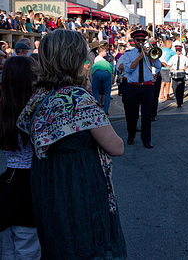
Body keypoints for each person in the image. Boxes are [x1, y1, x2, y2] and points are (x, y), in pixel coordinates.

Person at [16, 29, 126, 258]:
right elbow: (116, 147)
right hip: (78, 186)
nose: (88, 60)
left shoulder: (39, 95)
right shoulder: (78, 99)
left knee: (58, 245)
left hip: (48, 184)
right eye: (85, 55)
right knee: (86, 246)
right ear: (73, 59)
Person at [0, 56, 40, 259]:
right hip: (32, 184)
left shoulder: (4, 111)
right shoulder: (37, 112)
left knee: (8, 246)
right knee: (28, 247)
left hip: (8, 182)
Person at [120, 29, 161, 148]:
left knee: (147, 115)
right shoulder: (128, 54)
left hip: (147, 87)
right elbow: (128, 69)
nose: (141, 42)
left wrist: (150, 57)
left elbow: (158, 66)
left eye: (143, 40)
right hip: (133, 87)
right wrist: (140, 57)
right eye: (138, 40)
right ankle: (131, 135)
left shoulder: (149, 53)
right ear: (134, 41)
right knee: (132, 114)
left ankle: (146, 140)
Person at [91, 43, 115, 114]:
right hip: (107, 73)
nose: (106, 52)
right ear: (101, 51)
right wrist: (112, 79)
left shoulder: (96, 60)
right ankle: (106, 110)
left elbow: (91, 72)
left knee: (95, 92)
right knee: (107, 93)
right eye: (105, 51)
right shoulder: (105, 62)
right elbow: (112, 72)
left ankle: (98, 109)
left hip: (96, 72)